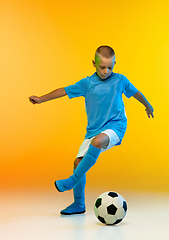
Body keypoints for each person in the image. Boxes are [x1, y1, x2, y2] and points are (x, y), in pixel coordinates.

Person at [29, 45, 154, 215]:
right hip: (94, 130)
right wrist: (41, 99)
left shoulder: (120, 80)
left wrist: (148, 106)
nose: (106, 71)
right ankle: (78, 204)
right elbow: (63, 91)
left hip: (116, 126)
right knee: (78, 163)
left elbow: (136, 92)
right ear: (93, 64)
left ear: (115, 64)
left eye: (110, 67)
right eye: (102, 67)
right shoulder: (86, 84)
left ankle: (71, 181)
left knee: (97, 142)